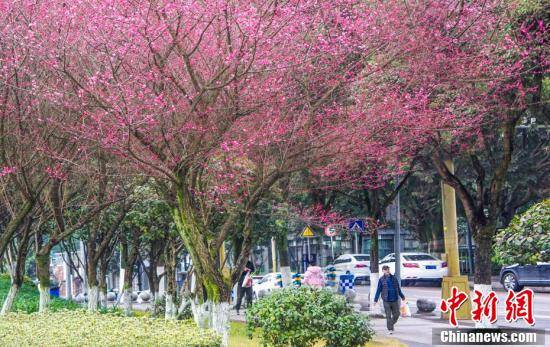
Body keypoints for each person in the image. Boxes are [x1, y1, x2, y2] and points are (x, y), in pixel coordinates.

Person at [374, 265, 405, 334]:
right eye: (385, 270)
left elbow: (398, 288)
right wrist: (375, 300)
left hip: (394, 299)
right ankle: (390, 329)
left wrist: (402, 296)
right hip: (386, 300)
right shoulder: (381, 279)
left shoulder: (394, 278)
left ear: (389, 270)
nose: (387, 271)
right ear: (383, 271)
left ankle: (390, 324)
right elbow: (378, 290)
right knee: (388, 315)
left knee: (397, 314)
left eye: (387, 269)